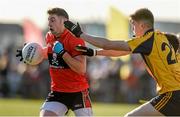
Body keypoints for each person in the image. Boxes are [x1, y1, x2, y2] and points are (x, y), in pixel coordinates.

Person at [64, 8, 180, 116]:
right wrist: (94, 52)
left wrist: (81, 34)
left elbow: (108, 44)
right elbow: (121, 51)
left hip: (172, 94)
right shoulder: (161, 37)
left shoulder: (146, 40)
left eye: (133, 25)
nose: (132, 29)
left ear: (142, 25)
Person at [16, 7, 93, 116]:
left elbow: (81, 69)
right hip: (58, 92)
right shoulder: (49, 36)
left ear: (65, 22)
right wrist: (30, 54)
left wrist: (63, 53)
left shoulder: (75, 39)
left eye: (52, 20)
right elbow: (50, 52)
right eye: (48, 21)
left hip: (78, 92)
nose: (49, 24)